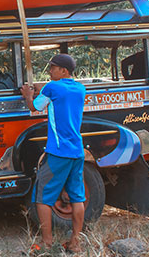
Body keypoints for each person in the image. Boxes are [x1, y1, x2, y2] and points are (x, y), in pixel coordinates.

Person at [20, 54, 86, 252]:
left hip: (59, 152)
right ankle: (75, 242)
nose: (50, 71)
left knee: (43, 197)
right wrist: (43, 90)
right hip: (77, 151)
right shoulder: (80, 88)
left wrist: (27, 95)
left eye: (53, 68)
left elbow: (35, 107)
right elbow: (58, 97)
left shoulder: (52, 87)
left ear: (63, 71)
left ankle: (46, 244)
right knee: (77, 197)